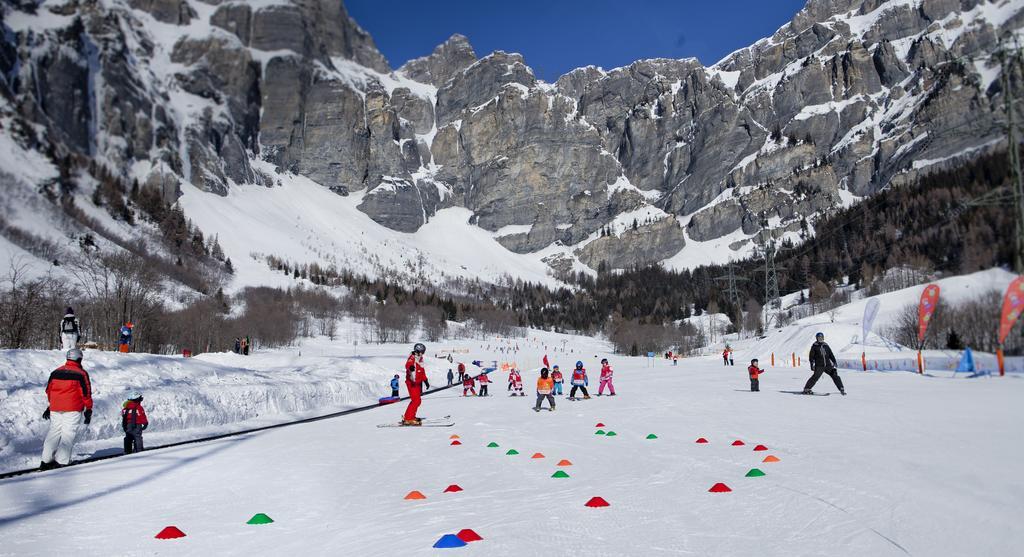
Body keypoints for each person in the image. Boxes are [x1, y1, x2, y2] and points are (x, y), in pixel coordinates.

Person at [40, 348, 92, 470]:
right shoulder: (81, 374)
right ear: (79, 359)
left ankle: (46, 460)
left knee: (53, 433)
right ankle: (62, 461)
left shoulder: (55, 372)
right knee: (68, 434)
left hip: (55, 408)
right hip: (73, 409)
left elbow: (49, 391)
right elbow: (86, 394)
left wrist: (50, 406)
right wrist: (88, 409)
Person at [402, 343, 430, 425]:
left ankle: (410, 416)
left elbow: (422, 371)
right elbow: (408, 364)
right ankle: (408, 418)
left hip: (417, 383)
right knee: (416, 400)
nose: (423, 354)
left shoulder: (420, 359)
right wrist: (410, 367)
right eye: (422, 352)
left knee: (418, 401)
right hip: (411, 383)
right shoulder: (412, 357)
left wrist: (425, 381)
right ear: (418, 351)